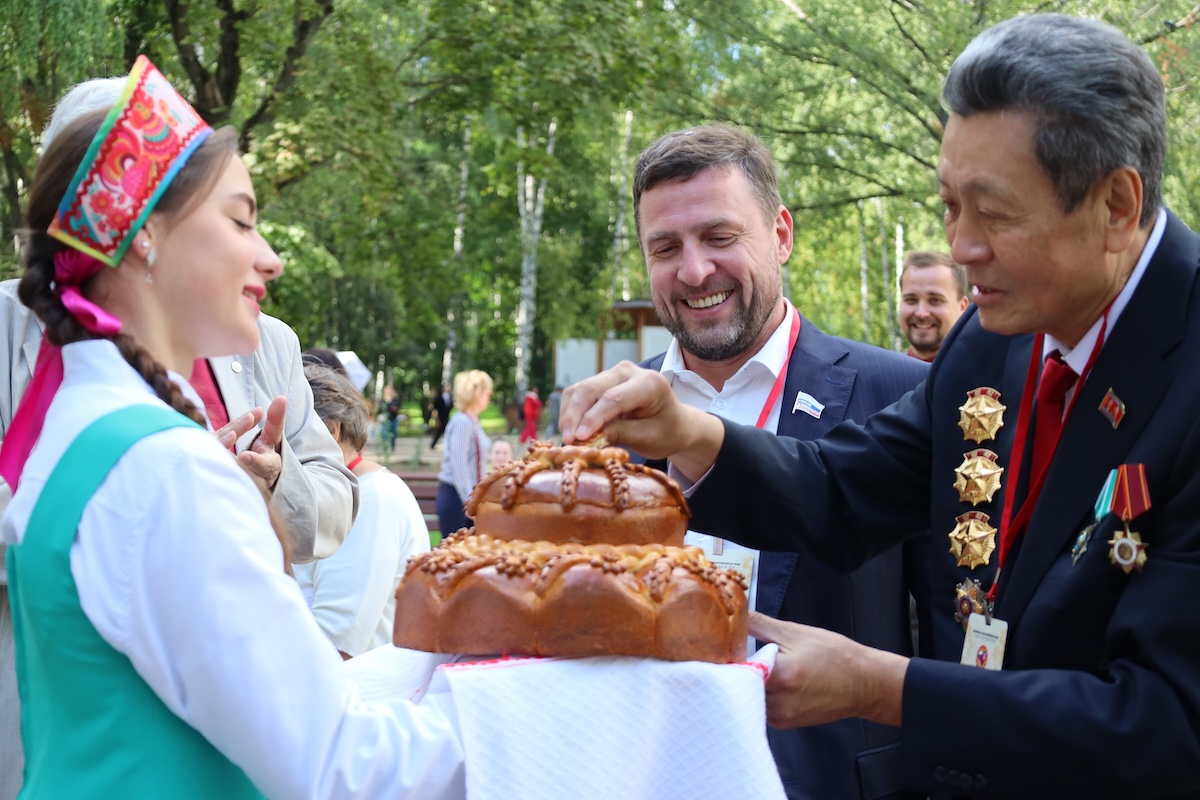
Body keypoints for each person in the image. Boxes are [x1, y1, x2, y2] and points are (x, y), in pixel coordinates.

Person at [561, 13, 1200, 798]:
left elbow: (1169, 722)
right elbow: (845, 488)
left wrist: (879, 687)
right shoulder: (993, 342)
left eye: (992, 212)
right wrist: (688, 431)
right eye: (949, 206)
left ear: (1116, 205)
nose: (961, 248)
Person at [0, 58, 463, 795]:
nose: (270, 258)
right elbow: (338, 765)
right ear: (145, 232)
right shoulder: (167, 469)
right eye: (242, 219)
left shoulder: (81, 425)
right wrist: (528, 711)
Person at [630, 123, 928, 800]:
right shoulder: (612, 418)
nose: (695, 269)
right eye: (666, 247)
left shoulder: (897, 394)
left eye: (720, 236)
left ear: (782, 235)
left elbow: (952, 629)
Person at [293, 363, 431, 658]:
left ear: (330, 431)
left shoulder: (369, 501)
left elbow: (335, 645)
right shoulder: (358, 494)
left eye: (286, 430)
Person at [435, 370, 492, 535]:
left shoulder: (472, 421)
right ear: (476, 393)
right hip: (457, 498)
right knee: (456, 555)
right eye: (486, 390)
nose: (490, 394)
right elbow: (459, 464)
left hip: (463, 497)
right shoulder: (462, 422)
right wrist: (470, 501)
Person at [898, 251, 969, 362]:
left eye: (935, 300)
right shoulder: (883, 374)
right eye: (911, 300)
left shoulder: (986, 375)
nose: (921, 313)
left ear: (962, 307)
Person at [430, 382, 452, 448]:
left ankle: (434, 444)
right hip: (440, 416)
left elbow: (449, 407)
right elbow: (435, 405)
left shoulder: (449, 397)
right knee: (445, 429)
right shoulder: (440, 397)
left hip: (446, 415)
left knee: (441, 431)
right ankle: (449, 444)